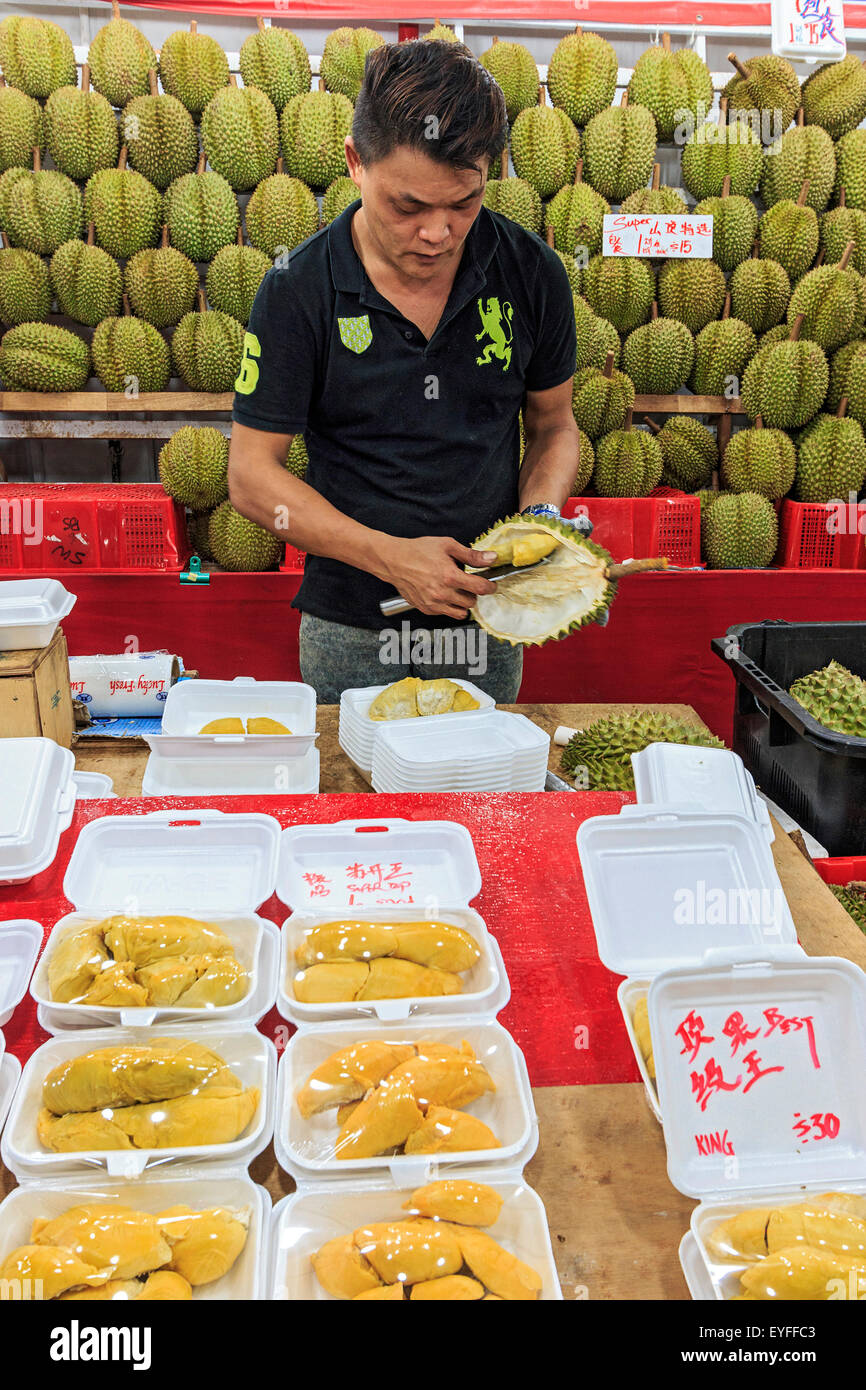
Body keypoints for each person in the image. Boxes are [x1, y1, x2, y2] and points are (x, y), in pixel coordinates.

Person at [229, 39, 582, 703]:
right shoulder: (298, 289)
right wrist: (390, 556)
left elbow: (555, 425)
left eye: (464, 203)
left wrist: (538, 519)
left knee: (482, 799)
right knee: (356, 794)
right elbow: (251, 478)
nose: (438, 234)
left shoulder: (532, 274)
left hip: (486, 614)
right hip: (352, 623)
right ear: (355, 163)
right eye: (409, 207)